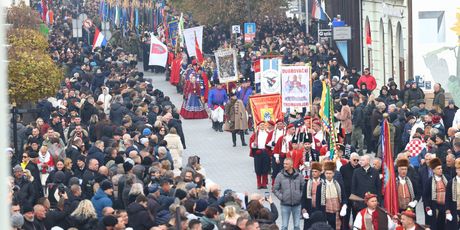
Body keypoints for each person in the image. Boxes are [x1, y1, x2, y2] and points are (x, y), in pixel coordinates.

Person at [273, 158, 305, 230]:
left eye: (286, 164)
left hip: (297, 205)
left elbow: (303, 188)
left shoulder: (299, 176)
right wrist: (282, 197)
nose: (284, 165)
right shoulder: (280, 175)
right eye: (284, 164)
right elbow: (275, 189)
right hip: (285, 205)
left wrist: (300, 196)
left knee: (297, 226)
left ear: (291, 165)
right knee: (284, 226)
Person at [315, 161, 347, 230]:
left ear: (333, 174)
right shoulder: (320, 186)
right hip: (326, 213)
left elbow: (344, 197)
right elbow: (317, 203)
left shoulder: (339, 185)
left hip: (338, 213)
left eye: (330, 173)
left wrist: (344, 206)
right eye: (327, 173)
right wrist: (319, 215)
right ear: (324, 174)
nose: (328, 175)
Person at [423, 157, 447, 230]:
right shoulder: (429, 181)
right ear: (433, 170)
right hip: (435, 207)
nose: (440, 170)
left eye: (441, 168)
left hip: (445, 207)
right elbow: (426, 196)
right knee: (435, 226)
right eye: (438, 169)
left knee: (444, 226)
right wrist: (428, 208)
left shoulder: (447, 179)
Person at [249, 121, 270, 189]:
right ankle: (259, 183)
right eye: (261, 125)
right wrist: (254, 145)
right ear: (258, 126)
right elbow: (251, 143)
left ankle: (264, 183)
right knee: (258, 168)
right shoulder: (255, 134)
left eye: (263, 125)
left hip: (265, 152)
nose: (262, 126)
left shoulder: (267, 133)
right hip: (258, 152)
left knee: (265, 168)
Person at [445, 158, 460, 229]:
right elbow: (447, 198)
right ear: (456, 170)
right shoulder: (451, 182)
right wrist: (448, 211)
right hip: (455, 210)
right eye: (458, 169)